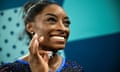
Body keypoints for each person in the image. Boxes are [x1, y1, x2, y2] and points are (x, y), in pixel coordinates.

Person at [0, 0, 84, 72]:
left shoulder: (76, 69)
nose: (63, 28)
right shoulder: (9, 70)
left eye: (66, 23)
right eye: (51, 20)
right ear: (30, 27)